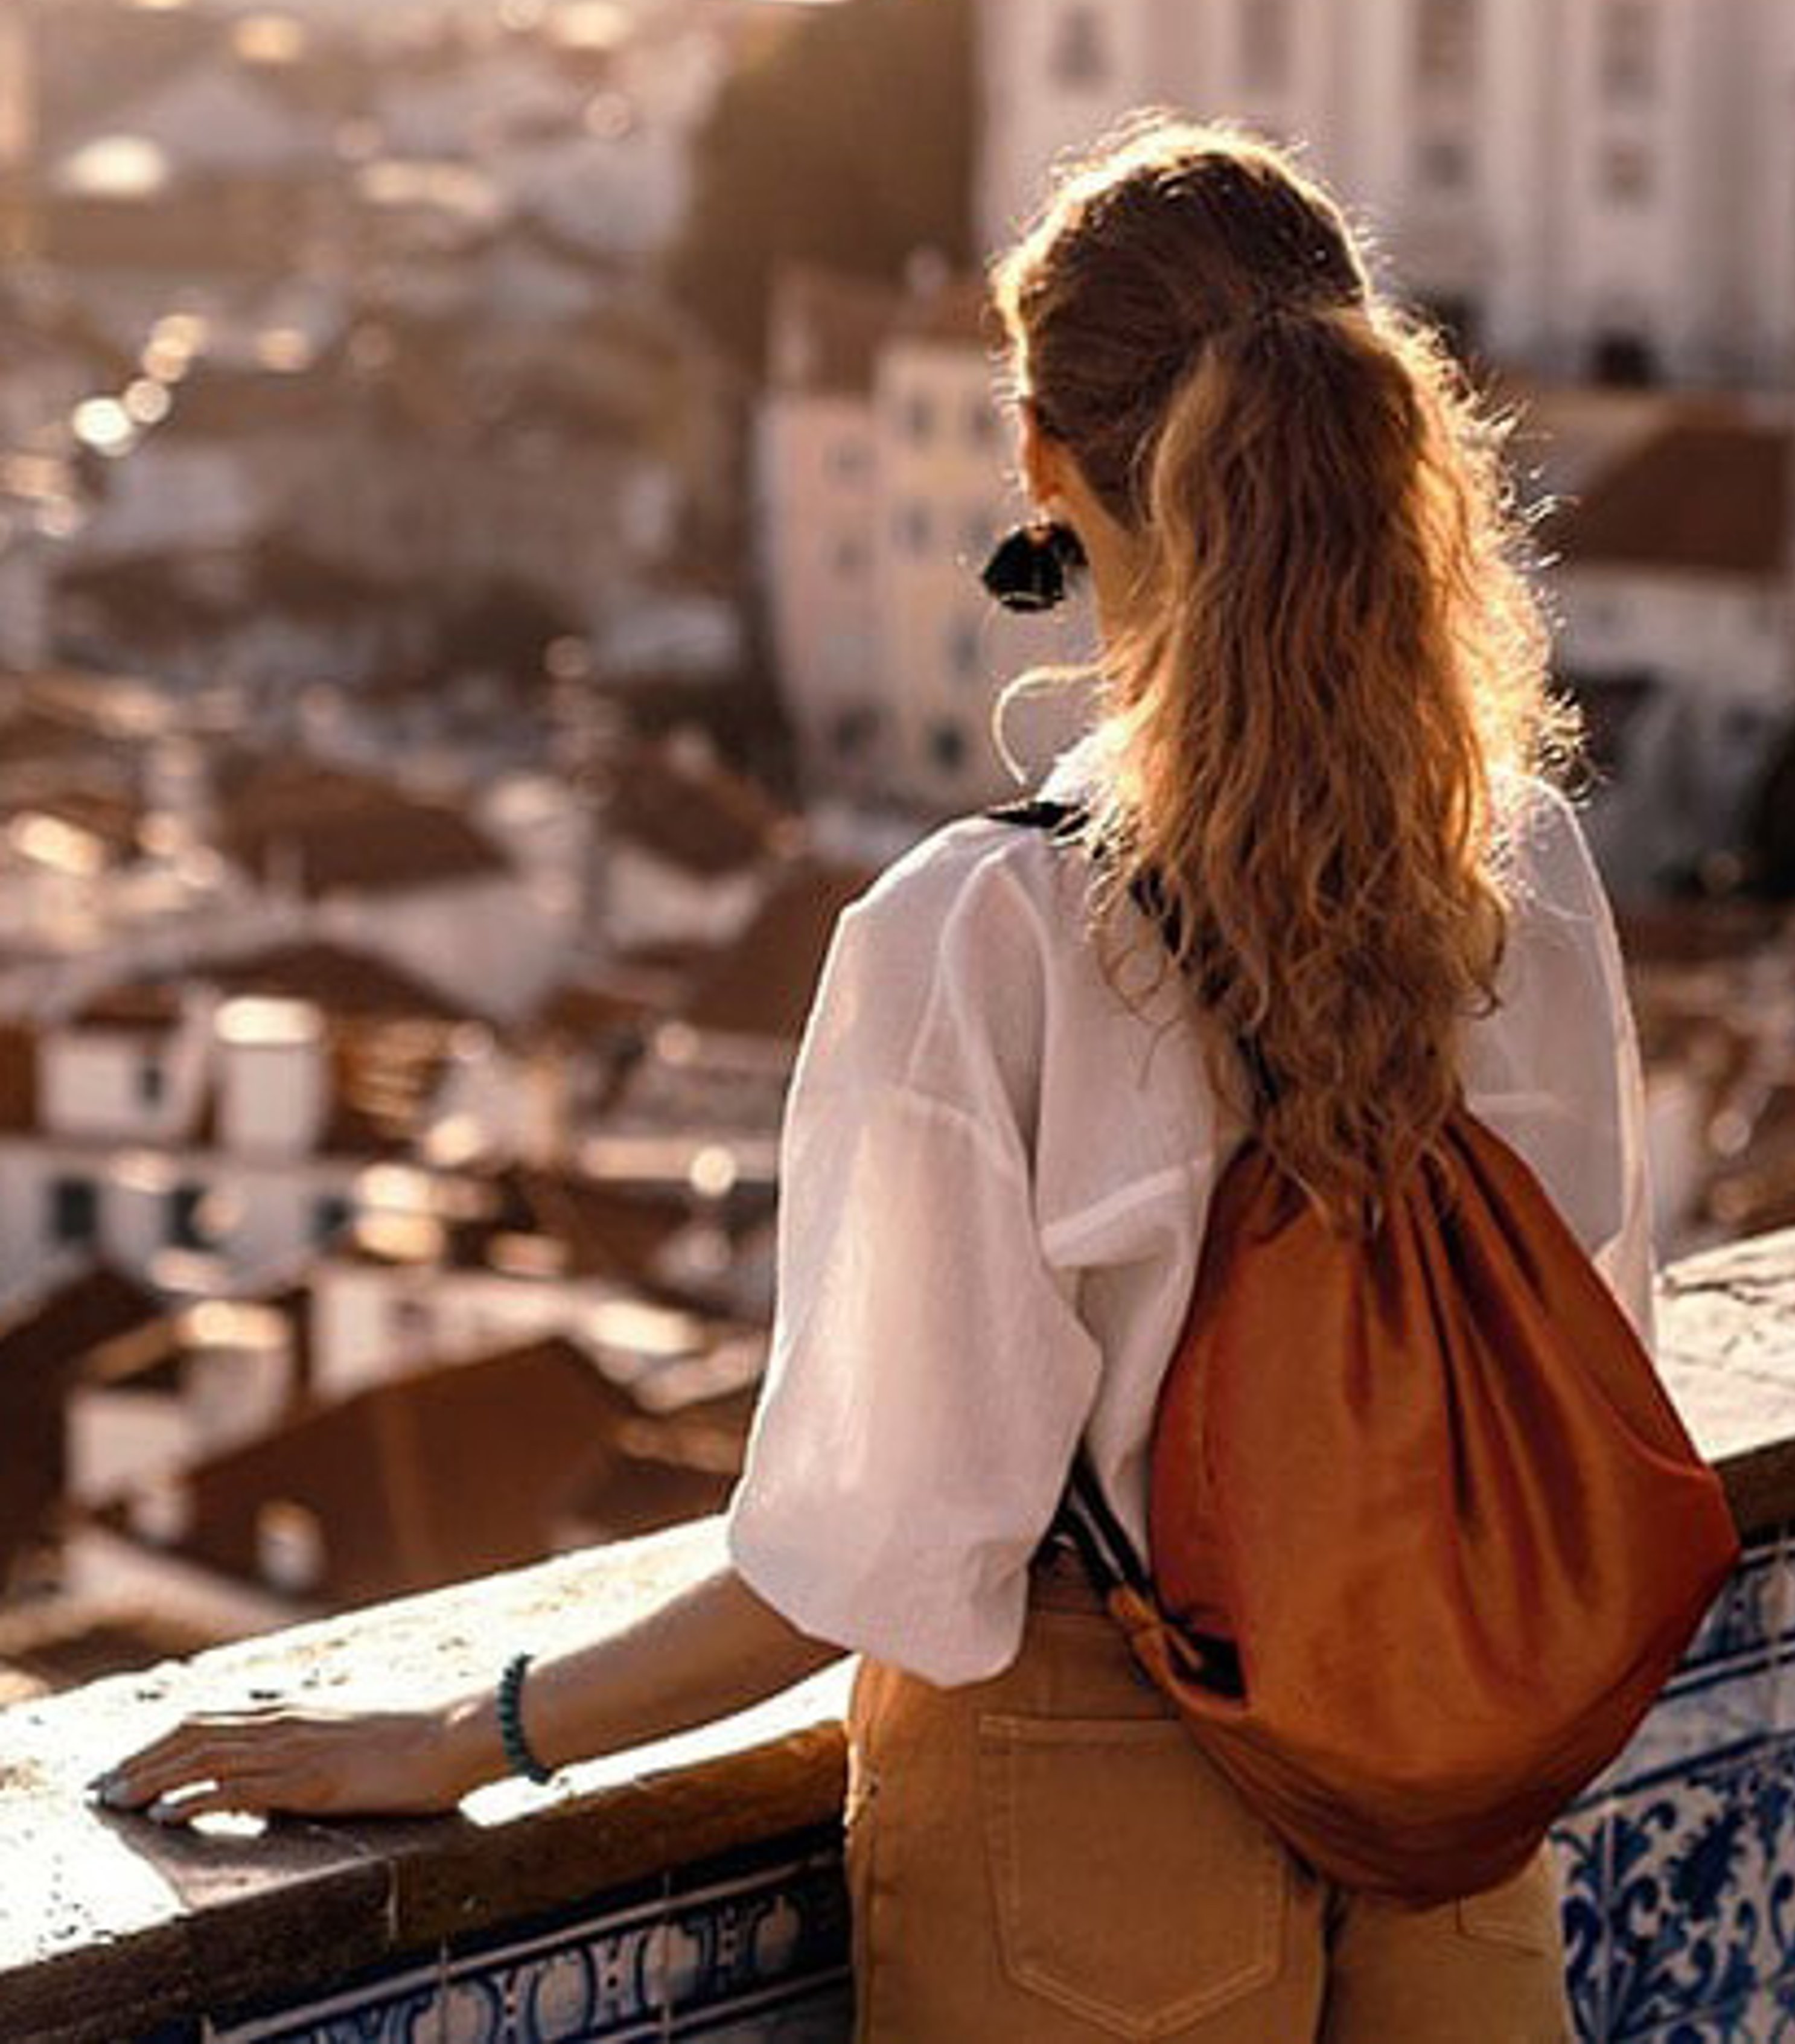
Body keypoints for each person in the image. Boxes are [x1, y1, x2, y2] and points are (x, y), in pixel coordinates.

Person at [92, 118, 1655, 2041]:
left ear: (1042, 463)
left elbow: (871, 1549)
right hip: (1458, 1790)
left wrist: (465, 1733)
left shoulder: (979, 939)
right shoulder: (1534, 877)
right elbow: (1600, 1352)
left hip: (1101, 1814)